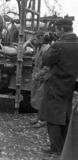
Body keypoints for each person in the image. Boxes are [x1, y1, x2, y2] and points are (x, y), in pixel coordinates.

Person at [39, 18, 78, 155]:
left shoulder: (58, 45)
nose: (56, 32)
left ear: (61, 29)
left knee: (53, 116)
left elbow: (46, 60)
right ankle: (65, 145)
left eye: (57, 30)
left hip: (55, 86)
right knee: (65, 114)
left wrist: (52, 43)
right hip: (69, 85)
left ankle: (55, 147)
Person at [29, 30, 50, 128]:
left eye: (36, 38)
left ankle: (42, 119)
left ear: (42, 38)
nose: (34, 40)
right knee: (36, 98)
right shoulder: (39, 48)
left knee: (40, 98)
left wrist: (39, 75)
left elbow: (47, 67)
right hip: (37, 76)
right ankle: (39, 117)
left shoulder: (46, 49)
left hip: (42, 77)